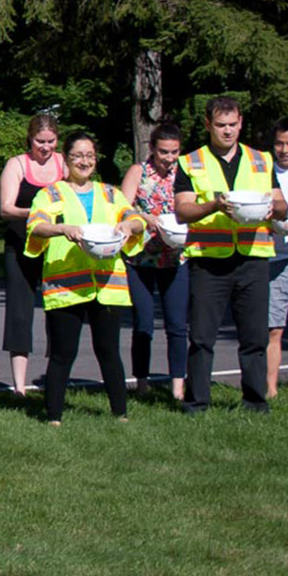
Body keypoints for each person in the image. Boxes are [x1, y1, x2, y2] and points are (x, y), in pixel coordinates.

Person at [174, 96, 287, 414]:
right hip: (209, 259)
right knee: (201, 336)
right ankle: (197, 402)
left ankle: (255, 401)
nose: (228, 131)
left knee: (254, 335)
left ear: (240, 123)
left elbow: (282, 206)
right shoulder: (190, 161)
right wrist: (213, 205)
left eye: (233, 124)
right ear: (208, 124)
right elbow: (183, 211)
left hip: (252, 256)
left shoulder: (261, 160)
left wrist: (270, 207)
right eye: (221, 125)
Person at [25, 131, 147, 425]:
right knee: (63, 353)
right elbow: (35, 226)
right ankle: (54, 416)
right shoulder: (51, 193)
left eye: (89, 156)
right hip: (67, 284)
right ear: (66, 159)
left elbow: (137, 219)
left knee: (108, 351)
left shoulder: (110, 193)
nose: (84, 161)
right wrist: (61, 229)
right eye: (78, 156)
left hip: (107, 284)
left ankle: (121, 413)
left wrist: (129, 227)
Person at [119, 122, 189, 400]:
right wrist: (145, 218)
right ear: (152, 149)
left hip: (175, 257)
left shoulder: (185, 171)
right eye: (163, 152)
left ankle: (177, 387)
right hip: (141, 258)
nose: (169, 159)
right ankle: (142, 382)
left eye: (174, 152)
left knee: (177, 325)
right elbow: (122, 206)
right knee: (144, 323)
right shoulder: (139, 171)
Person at [0, 113, 64, 396]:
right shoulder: (17, 165)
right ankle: (19, 386)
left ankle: (54, 375)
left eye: (50, 141)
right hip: (21, 246)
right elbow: (5, 208)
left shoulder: (64, 163)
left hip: (57, 248)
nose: (45, 147)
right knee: (20, 314)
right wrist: (37, 213)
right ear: (30, 139)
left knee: (58, 311)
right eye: (40, 141)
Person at [267, 118, 288, 398]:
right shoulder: (265, 171)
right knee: (273, 327)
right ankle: (271, 389)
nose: (285, 150)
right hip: (274, 257)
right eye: (280, 143)